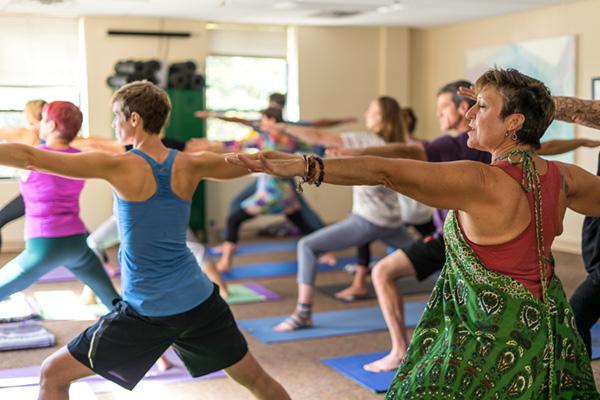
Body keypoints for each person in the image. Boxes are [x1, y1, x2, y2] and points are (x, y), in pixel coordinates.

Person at [226, 67, 600, 398]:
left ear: (514, 122)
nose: (467, 114)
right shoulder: (564, 177)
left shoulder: (482, 179)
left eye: (481, 106)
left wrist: (304, 166)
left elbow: (386, 171)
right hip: (548, 334)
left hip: (488, 339)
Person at [0, 81, 290, 399]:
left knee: (52, 375)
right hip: (201, 302)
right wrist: (311, 166)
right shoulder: (192, 163)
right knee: (257, 381)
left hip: (148, 311)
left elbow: (30, 157)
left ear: (134, 119)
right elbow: (260, 159)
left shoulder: (119, 166)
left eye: (116, 117)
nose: (114, 125)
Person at [333, 81, 600, 373]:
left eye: (480, 106)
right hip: (476, 255)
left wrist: (323, 163)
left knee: (385, 271)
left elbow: (393, 164)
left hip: (486, 264)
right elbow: (396, 161)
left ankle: (401, 349)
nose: (442, 114)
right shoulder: (535, 166)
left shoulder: (461, 149)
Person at [261, 96, 416, 331]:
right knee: (436, 260)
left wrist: (282, 127)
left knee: (307, 246)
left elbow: (321, 136)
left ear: (382, 117)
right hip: (393, 221)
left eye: (371, 111)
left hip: (369, 220)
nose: (366, 115)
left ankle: (303, 313)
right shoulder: (399, 144)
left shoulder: (366, 140)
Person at [0, 101, 120, 312]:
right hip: (77, 244)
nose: (39, 126)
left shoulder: (30, 156)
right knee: (115, 303)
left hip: (42, 247)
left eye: (43, 121)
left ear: (52, 126)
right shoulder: (83, 158)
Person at [213, 107, 323, 272]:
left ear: (272, 121)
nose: (261, 124)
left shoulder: (266, 141)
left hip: (269, 193)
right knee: (301, 223)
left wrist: (209, 145)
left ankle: (225, 262)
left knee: (233, 220)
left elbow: (238, 144)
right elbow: (316, 146)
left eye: (263, 121)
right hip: (286, 194)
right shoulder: (291, 140)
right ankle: (325, 253)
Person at [0, 100, 46, 253]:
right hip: (50, 191)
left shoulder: (26, 134)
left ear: (31, 115)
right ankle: (105, 262)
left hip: (33, 192)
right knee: (72, 224)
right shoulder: (53, 134)